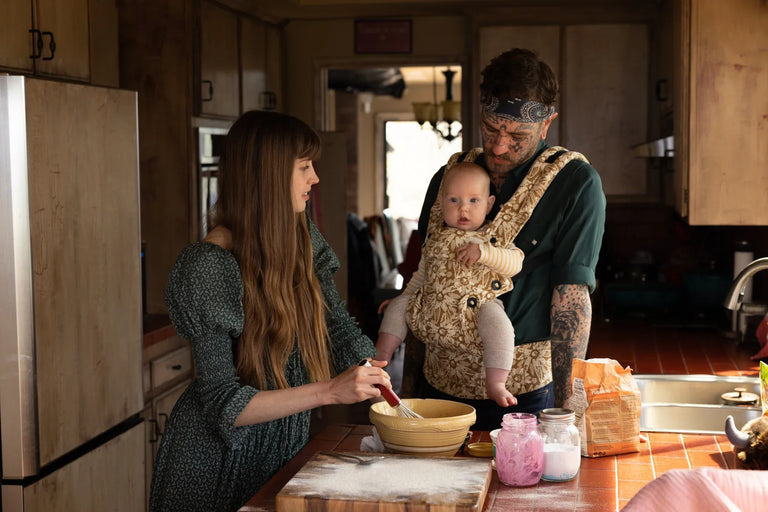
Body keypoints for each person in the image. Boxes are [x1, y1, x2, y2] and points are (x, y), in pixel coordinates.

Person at [149, 110, 389, 512]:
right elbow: (224, 403)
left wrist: (375, 373)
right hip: (215, 470)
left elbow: (336, 324)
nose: (315, 177)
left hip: (277, 454)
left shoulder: (299, 235)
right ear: (268, 176)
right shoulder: (208, 265)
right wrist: (332, 390)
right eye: (304, 167)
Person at [396, 48, 605, 430]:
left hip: (522, 392)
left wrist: (566, 413)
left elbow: (571, 300)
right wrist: (408, 391)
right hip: (437, 385)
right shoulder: (450, 177)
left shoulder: (575, 183)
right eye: (491, 129)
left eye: (517, 136)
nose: (498, 147)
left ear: (546, 125)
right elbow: (425, 280)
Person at [375, 162, 523, 407]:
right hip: (435, 306)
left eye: (474, 201)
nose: (463, 208)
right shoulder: (435, 238)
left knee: (501, 328)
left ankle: (496, 382)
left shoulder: (492, 237)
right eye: (454, 200)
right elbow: (422, 274)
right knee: (398, 306)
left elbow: (516, 263)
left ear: (489, 204)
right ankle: (381, 357)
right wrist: (406, 295)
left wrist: (485, 253)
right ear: (441, 202)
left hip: (478, 307)